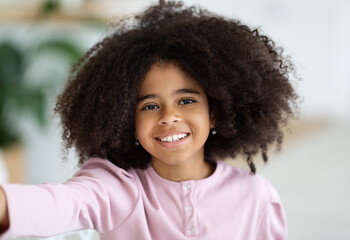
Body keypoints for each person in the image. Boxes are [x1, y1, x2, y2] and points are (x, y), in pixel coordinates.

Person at [0, 0, 298, 239]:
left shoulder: (255, 196)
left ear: (215, 113)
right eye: (150, 106)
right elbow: (62, 204)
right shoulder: (115, 188)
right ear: (126, 121)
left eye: (186, 101)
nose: (169, 117)